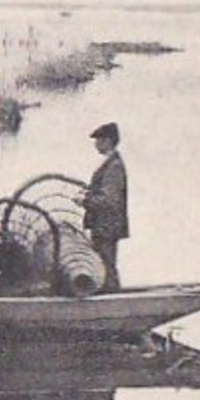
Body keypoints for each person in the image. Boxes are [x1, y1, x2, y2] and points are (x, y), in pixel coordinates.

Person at [80, 121, 128, 291]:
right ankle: (110, 297)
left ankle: (113, 301)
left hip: (107, 226)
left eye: (98, 140)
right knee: (104, 265)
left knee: (107, 266)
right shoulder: (110, 163)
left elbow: (109, 200)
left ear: (107, 141)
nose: (96, 144)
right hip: (104, 225)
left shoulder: (113, 166)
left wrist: (85, 202)